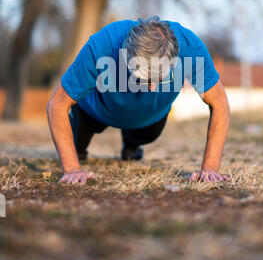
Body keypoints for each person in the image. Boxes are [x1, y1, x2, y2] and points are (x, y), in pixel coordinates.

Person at [47, 17, 231, 184]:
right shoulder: (102, 45)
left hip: (149, 117)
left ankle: (131, 143)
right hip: (96, 110)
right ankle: (80, 146)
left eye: (158, 77)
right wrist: (71, 169)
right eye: (143, 78)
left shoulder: (191, 48)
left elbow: (219, 103)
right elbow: (57, 104)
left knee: (149, 134)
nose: (151, 88)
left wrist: (210, 168)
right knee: (77, 145)